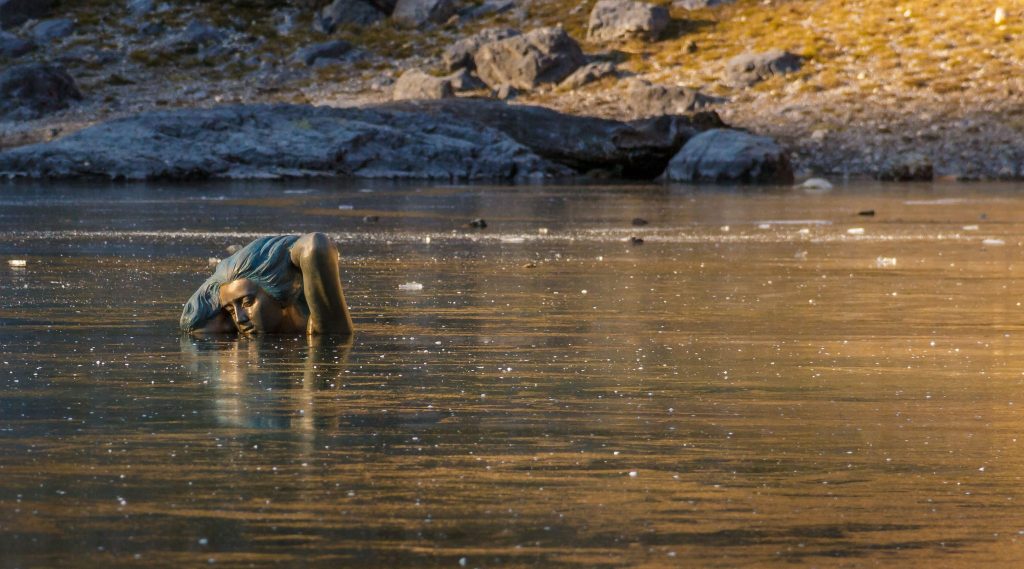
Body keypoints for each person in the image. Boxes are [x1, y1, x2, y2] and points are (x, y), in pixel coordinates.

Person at [180, 233, 354, 336]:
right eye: (231, 311)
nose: (239, 319)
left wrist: (286, 253)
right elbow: (198, 328)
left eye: (247, 302)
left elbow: (316, 245)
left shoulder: (322, 327)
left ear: (278, 291)